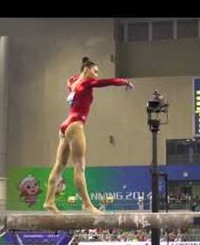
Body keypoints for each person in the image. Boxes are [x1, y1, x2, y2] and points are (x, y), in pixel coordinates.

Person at [43, 57, 133, 214]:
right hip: (76, 124)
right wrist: (125, 81)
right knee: (79, 166)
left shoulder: (73, 82)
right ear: (86, 70)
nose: (97, 75)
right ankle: (86, 204)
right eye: (95, 71)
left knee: (59, 165)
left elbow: (71, 80)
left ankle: (49, 201)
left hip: (65, 126)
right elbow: (108, 82)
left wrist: (79, 76)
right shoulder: (86, 84)